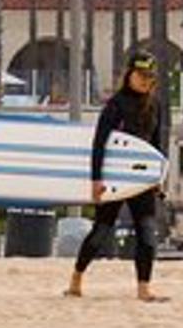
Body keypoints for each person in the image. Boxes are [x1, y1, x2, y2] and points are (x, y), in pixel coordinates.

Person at [66, 49, 167, 303]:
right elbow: (99, 143)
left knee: (147, 232)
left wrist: (159, 177)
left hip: (142, 179)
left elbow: (158, 146)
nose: (145, 81)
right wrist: (96, 179)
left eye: (150, 77)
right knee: (101, 232)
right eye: (141, 75)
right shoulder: (115, 105)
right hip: (113, 178)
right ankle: (76, 279)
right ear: (129, 75)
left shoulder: (156, 105)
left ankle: (144, 288)